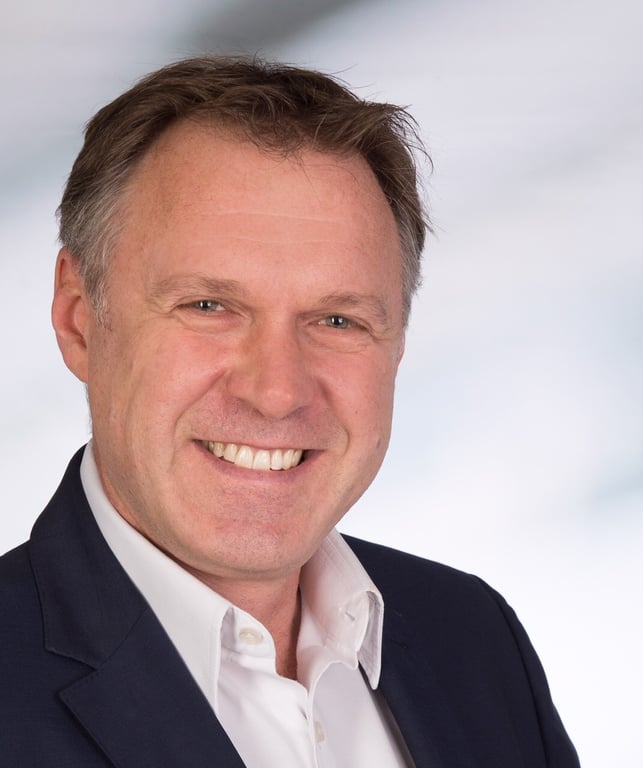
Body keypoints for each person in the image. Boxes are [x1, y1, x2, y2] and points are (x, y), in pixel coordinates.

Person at [0, 56, 580, 767]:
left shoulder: (473, 639)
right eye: (209, 306)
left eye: (337, 320)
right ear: (79, 318)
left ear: (398, 340)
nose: (276, 391)